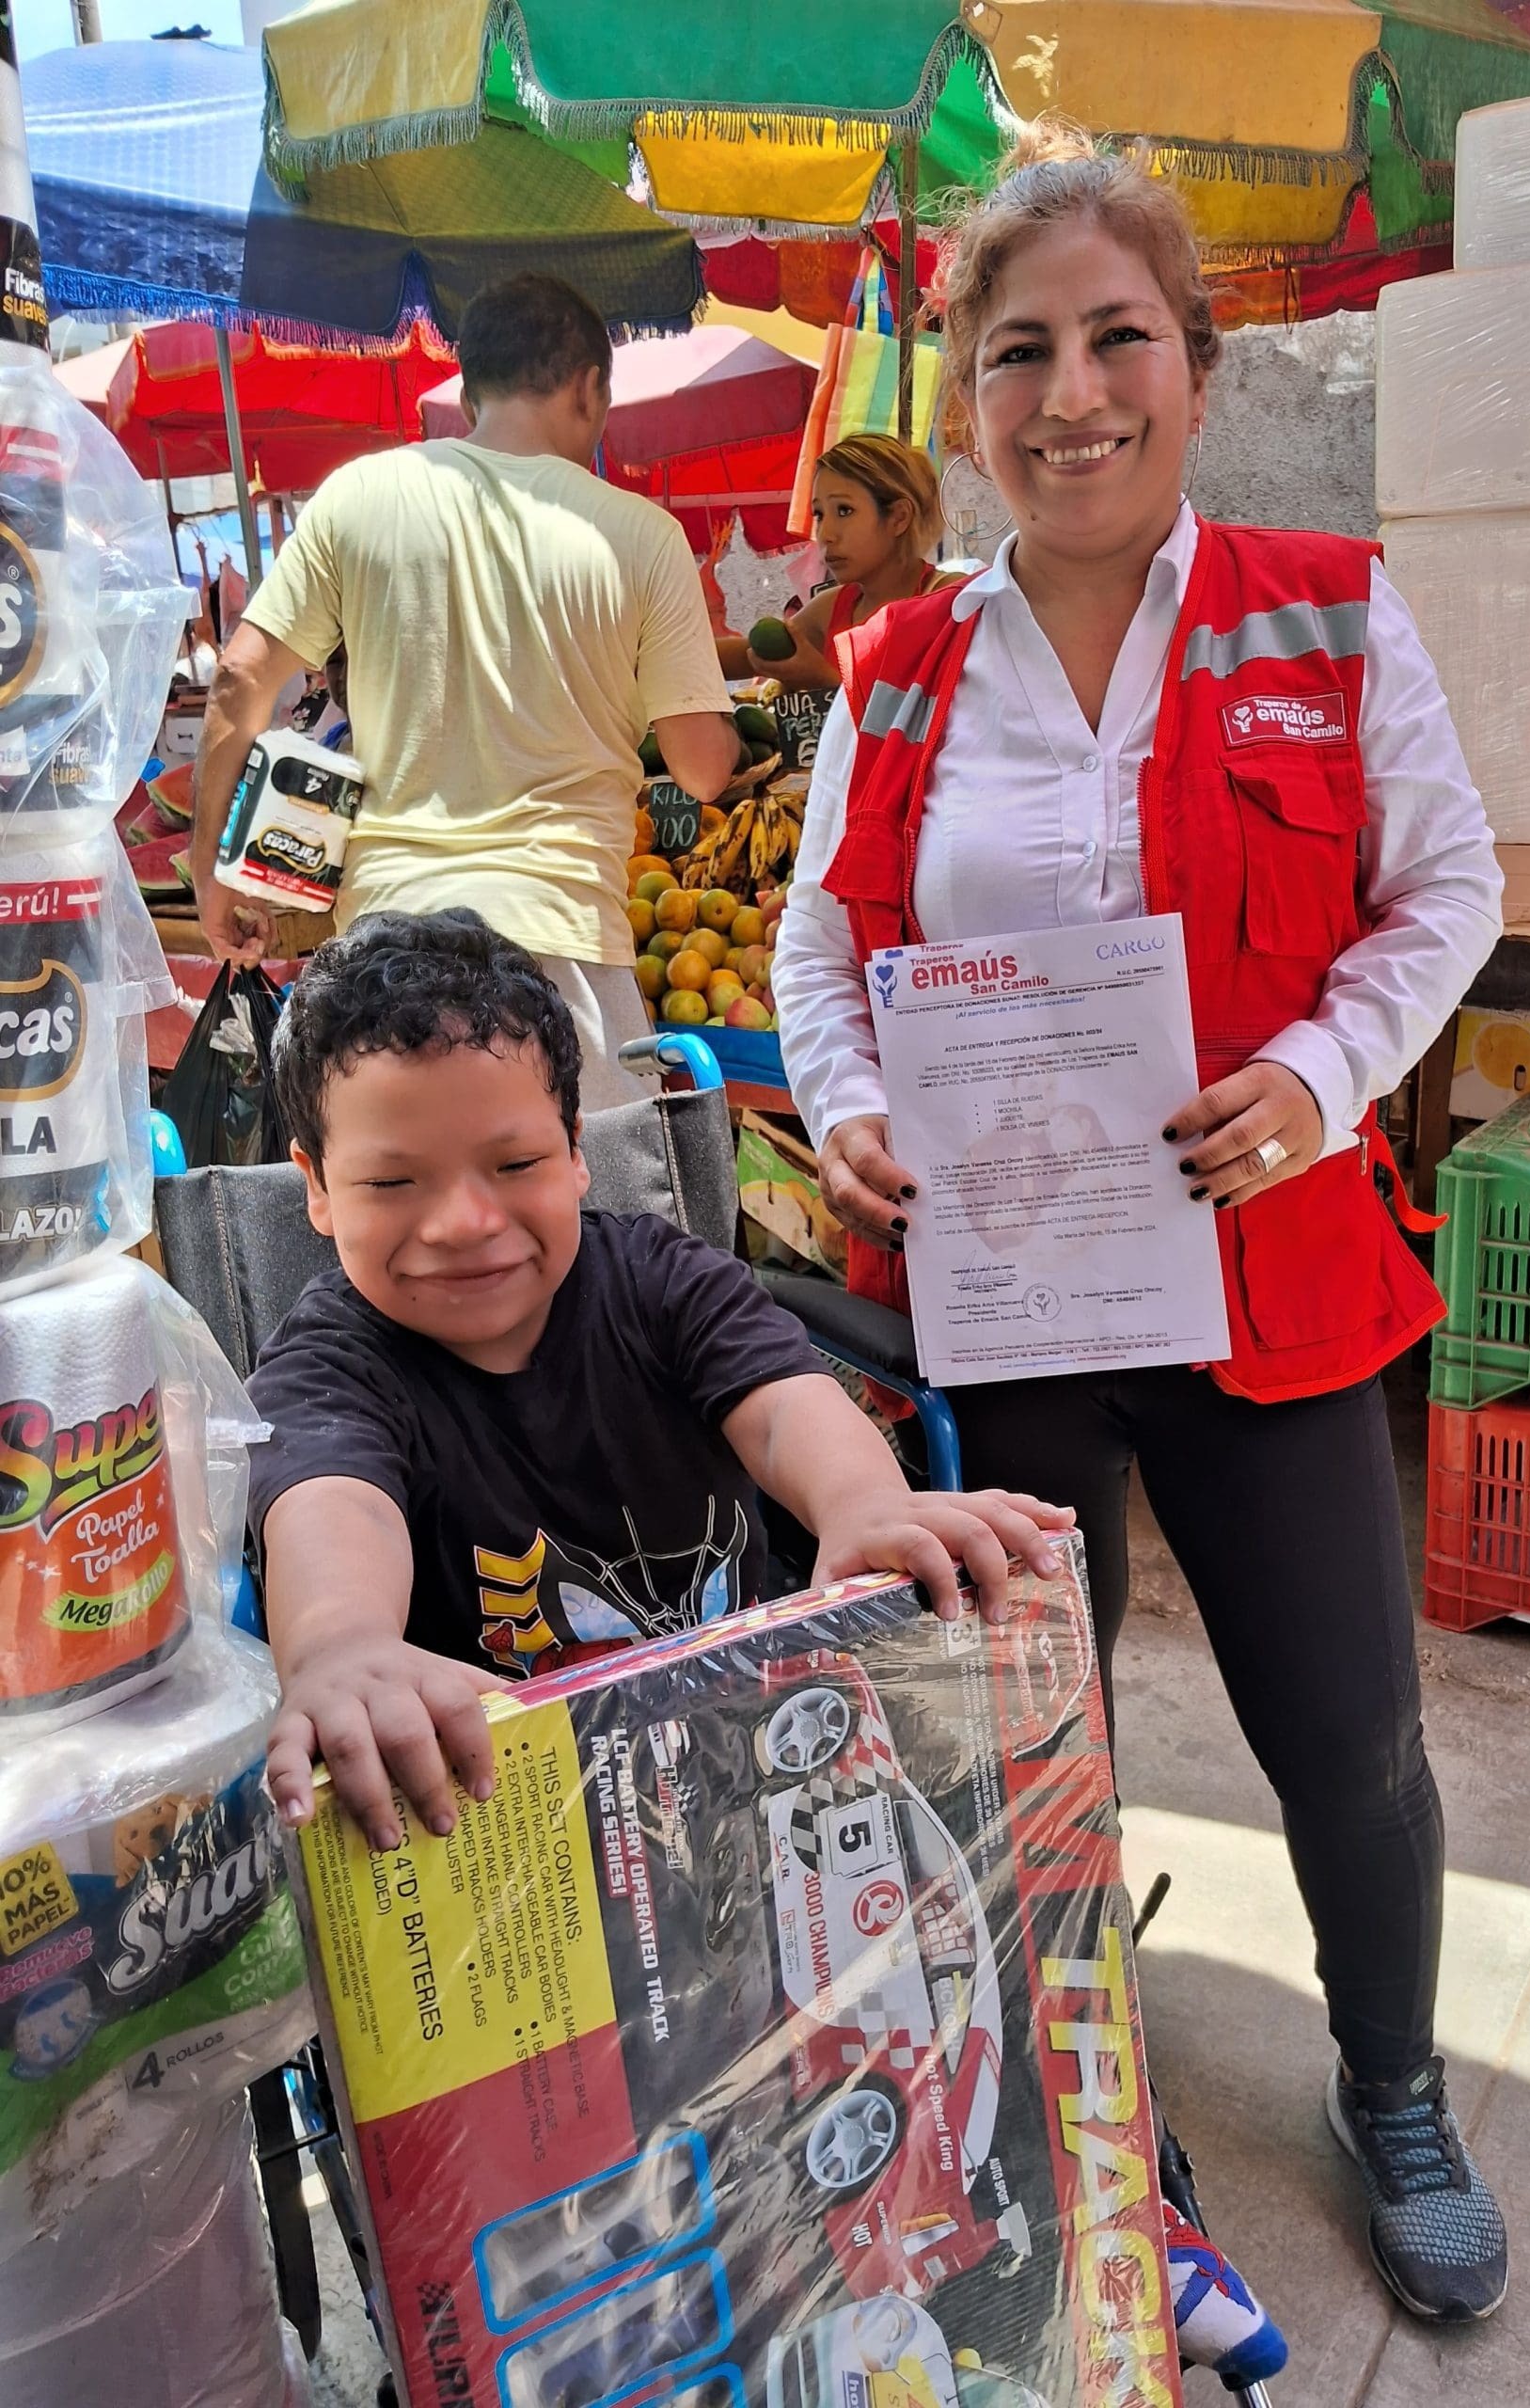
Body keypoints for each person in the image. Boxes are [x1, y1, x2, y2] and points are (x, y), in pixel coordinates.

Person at [772, 122, 1509, 2325]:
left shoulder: (1326, 608)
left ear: (1194, 363)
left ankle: (1394, 2081)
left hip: (1267, 1273)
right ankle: (1099, 2099)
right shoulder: (897, 663)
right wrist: (849, 1101)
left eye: (1116, 339)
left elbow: (1446, 886)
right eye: (1019, 352)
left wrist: (1321, 1075)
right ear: (964, 395)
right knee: (1037, 1726)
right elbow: (821, 938)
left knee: (1347, 1728)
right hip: (1007, 1293)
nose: (1070, 393)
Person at [251, 908, 1077, 1851]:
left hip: (760, 1755)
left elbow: (781, 1407)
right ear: (317, 1187)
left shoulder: (662, 1280)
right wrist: (342, 1644)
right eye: (393, 1183)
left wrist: (863, 1502)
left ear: (575, 1153)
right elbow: (334, 1504)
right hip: (514, 1820)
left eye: (515, 1163)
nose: (464, 1222)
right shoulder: (328, 1367)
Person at [190, 273, 739, 1110]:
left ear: (469, 388)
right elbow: (700, 768)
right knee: (579, 1190)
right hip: (562, 953)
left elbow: (239, 676)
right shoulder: (642, 536)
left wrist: (210, 869)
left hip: (382, 954)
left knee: (399, 1194)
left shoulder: (359, 495)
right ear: (591, 388)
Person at [717, 436, 955, 692]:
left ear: (899, 517)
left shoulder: (951, 601)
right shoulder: (832, 607)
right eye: (819, 515)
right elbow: (743, 655)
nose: (825, 534)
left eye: (844, 511)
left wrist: (825, 682)